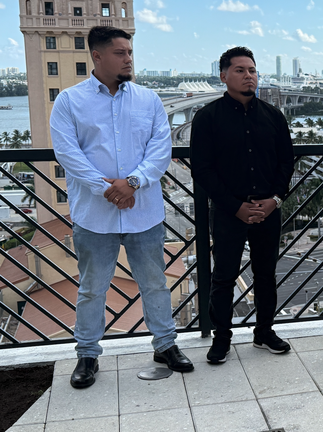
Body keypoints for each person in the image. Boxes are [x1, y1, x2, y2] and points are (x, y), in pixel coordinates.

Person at [50, 26, 193, 388]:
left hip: (143, 210)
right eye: (120, 53)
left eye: (130, 51)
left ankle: (165, 345)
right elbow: (69, 154)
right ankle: (86, 355)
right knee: (92, 288)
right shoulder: (69, 101)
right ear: (97, 56)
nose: (128, 58)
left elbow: (160, 151)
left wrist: (130, 184)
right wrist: (108, 190)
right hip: (95, 216)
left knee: (155, 283)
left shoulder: (149, 100)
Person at [190, 46, 294, 363]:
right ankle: (222, 338)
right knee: (223, 276)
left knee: (266, 275)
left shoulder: (273, 117)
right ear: (223, 76)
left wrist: (275, 199)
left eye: (252, 70)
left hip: (268, 210)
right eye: (240, 70)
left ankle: (264, 331)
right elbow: (202, 169)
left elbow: (286, 162)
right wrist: (235, 206)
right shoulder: (207, 118)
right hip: (227, 212)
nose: (248, 76)